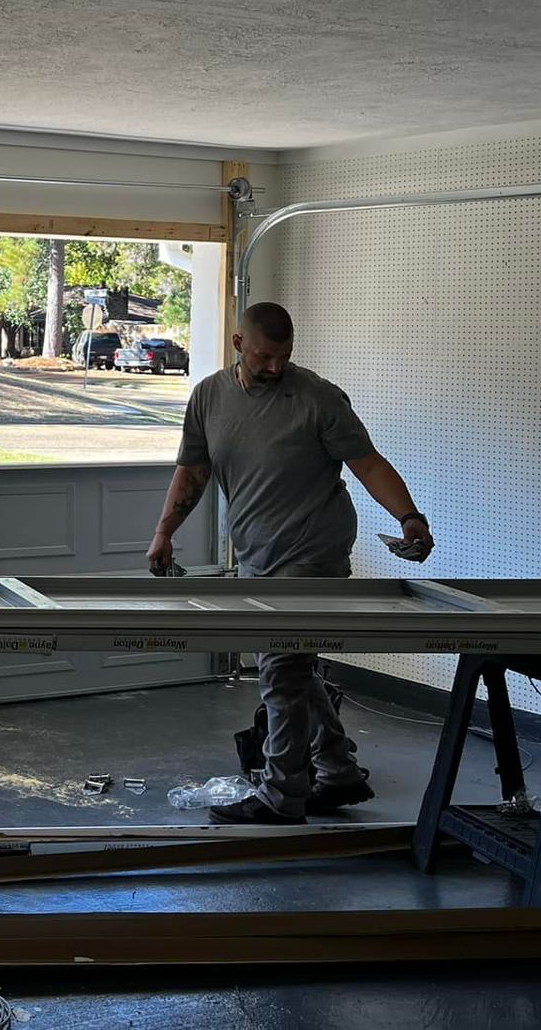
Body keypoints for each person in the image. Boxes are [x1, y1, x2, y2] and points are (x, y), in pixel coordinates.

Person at [148, 302, 433, 825]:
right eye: (264, 356)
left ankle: (283, 794)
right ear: (238, 345)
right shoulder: (209, 396)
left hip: (313, 552)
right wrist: (166, 531)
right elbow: (192, 470)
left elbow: (366, 463)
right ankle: (338, 770)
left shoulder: (318, 399)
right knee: (296, 664)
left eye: (285, 357)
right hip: (258, 552)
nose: (276, 367)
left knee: (280, 667)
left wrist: (410, 516)